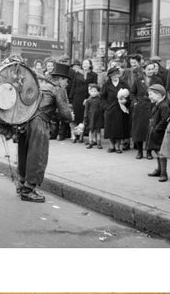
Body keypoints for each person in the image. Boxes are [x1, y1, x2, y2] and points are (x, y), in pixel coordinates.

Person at [15, 62, 73, 203]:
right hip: (39, 124)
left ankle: (21, 184)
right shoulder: (57, 89)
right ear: (60, 79)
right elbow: (65, 114)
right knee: (37, 156)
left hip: (25, 121)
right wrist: (71, 117)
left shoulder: (40, 85)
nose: (67, 84)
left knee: (24, 153)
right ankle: (28, 190)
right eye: (66, 81)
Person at [130, 62, 164, 159]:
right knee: (139, 130)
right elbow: (132, 93)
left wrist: (158, 103)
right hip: (140, 108)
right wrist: (135, 102)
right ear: (144, 70)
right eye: (148, 69)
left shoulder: (158, 80)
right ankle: (140, 151)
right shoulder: (138, 80)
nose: (151, 71)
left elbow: (162, 92)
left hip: (153, 107)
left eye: (152, 69)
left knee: (150, 129)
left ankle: (149, 151)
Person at [101, 66, 130, 153]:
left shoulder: (124, 84)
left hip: (120, 109)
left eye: (117, 74)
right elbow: (102, 97)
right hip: (110, 109)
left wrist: (125, 102)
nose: (115, 76)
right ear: (109, 76)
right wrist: (106, 107)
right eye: (113, 75)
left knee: (119, 128)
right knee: (110, 128)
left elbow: (129, 95)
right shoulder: (106, 85)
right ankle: (111, 145)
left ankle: (118, 146)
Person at [146, 84, 170, 182]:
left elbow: (164, 120)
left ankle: (164, 173)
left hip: (159, 133)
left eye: (151, 94)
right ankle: (159, 170)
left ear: (159, 95)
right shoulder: (157, 105)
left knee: (161, 152)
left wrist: (157, 129)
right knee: (157, 151)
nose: (149, 96)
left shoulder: (164, 106)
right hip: (155, 132)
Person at [69, 59, 98, 143]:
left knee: (84, 117)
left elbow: (94, 87)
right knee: (76, 116)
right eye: (83, 63)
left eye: (87, 63)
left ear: (90, 65)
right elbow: (73, 86)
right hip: (77, 97)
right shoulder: (77, 73)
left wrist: (89, 98)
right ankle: (75, 135)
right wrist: (70, 98)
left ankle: (81, 136)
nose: (84, 65)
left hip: (88, 98)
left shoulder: (93, 75)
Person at [83, 83, 104, 149]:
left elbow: (102, 109)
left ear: (98, 92)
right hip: (91, 117)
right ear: (89, 92)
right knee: (91, 130)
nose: (93, 93)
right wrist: (85, 117)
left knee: (98, 131)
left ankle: (99, 143)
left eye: (95, 91)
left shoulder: (100, 100)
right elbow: (86, 110)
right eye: (92, 91)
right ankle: (90, 142)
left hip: (98, 117)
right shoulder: (88, 101)